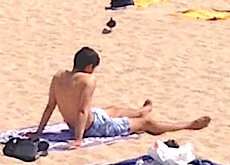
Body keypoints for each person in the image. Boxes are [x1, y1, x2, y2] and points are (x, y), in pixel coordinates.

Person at [32, 46, 211, 143]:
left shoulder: (58, 77)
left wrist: (39, 132)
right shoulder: (88, 80)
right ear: (89, 67)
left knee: (114, 109)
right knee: (145, 124)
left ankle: (141, 110)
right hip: (92, 128)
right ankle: (189, 125)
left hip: (85, 121)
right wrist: (78, 139)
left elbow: (50, 106)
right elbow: (81, 111)